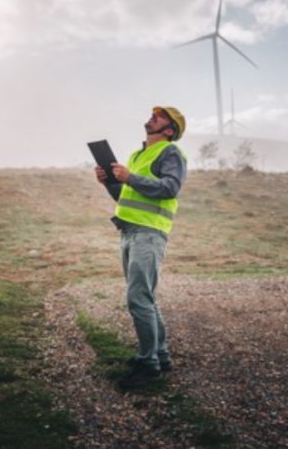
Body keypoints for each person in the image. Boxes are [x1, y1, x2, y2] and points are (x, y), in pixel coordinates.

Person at [94, 106, 187, 389]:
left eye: (160, 116)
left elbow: (170, 187)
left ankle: (149, 366)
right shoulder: (137, 155)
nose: (153, 116)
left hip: (149, 233)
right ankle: (160, 355)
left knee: (138, 299)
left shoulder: (170, 153)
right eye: (153, 113)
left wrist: (130, 177)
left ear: (169, 130)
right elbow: (127, 194)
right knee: (145, 297)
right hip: (129, 230)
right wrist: (109, 182)